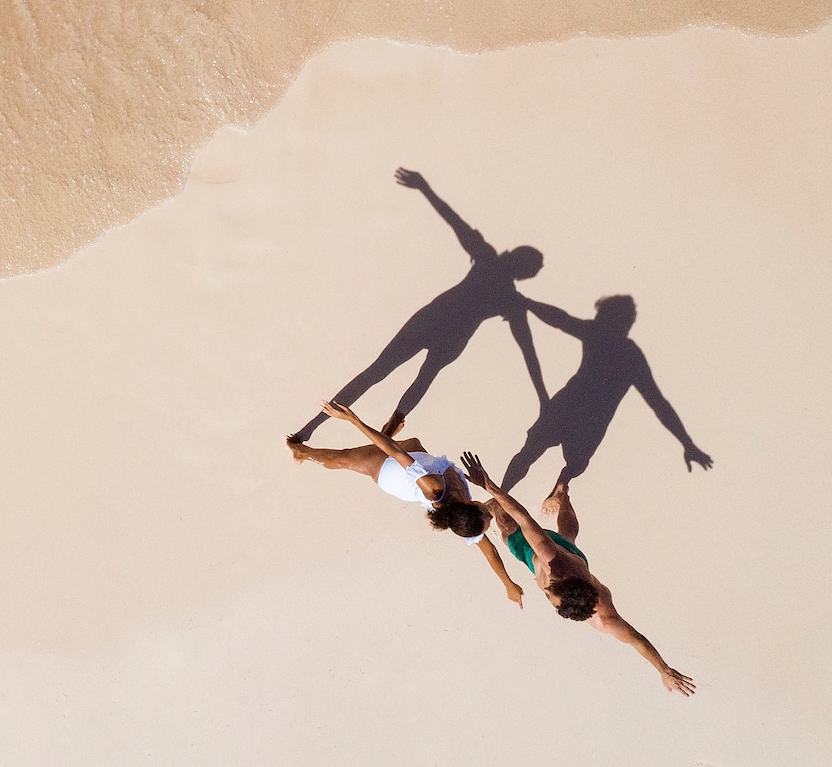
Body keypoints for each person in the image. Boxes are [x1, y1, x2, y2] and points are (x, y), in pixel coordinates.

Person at [290, 169, 549, 444]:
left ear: (514, 259)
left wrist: (424, 188)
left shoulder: (488, 260)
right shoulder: (509, 297)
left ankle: (316, 427)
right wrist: (543, 398)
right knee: (418, 377)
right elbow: (528, 350)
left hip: (433, 319)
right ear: (523, 274)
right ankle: (380, 432)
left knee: (380, 371)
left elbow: (455, 222)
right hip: (454, 334)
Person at [459, 452, 697, 694]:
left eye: (550, 597)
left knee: (568, 537)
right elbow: (523, 518)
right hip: (544, 555)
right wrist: (488, 485)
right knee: (510, 528)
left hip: (574, 559)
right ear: (561, 579)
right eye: (550, 590)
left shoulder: (604, 617)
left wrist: (664, 671)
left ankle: (562, 495)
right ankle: (497, 508)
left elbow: (636, 640)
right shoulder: (551, 559)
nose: (545, 589)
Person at [288, 400, 528, 607]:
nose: (490, 512)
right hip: (416, 458)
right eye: (489, 516)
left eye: (487, 515)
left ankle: (302, 453)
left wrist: (353, 420)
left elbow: (395, 454)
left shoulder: (436, 490)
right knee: (411, 442)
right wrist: (509, 584)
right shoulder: (451, 499)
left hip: (388, 473)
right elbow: (490, 550)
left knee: (345, 458)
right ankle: (384, 434)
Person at [499, 293, 711, 492]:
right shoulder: (622, 348)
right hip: (587, 416)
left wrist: (526, 302)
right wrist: (687, 443)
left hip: (573, 409)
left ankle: (534, 489)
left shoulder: (605, 337)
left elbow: (561, 319)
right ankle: (548, 486)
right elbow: (658, 404)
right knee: (562, 461)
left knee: (536, 455)